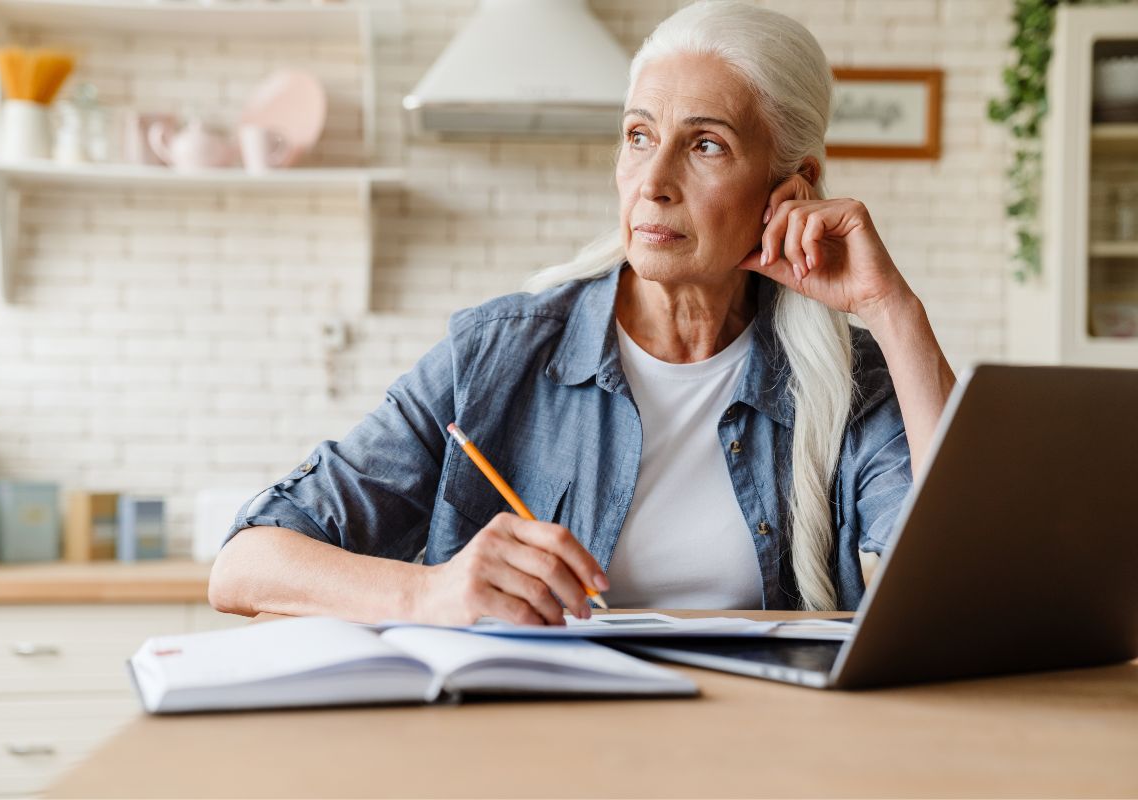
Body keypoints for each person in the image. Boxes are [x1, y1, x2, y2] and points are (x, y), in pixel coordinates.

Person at [208, 0, 956, 624]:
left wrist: (892, 309)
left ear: (792, 187)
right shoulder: (497, 355)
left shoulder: (846, 380)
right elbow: (245, 563)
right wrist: (427, 592)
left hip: (759, 746)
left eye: (705, 145)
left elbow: (966, 579)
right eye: (639, 136)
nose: (653, 181)